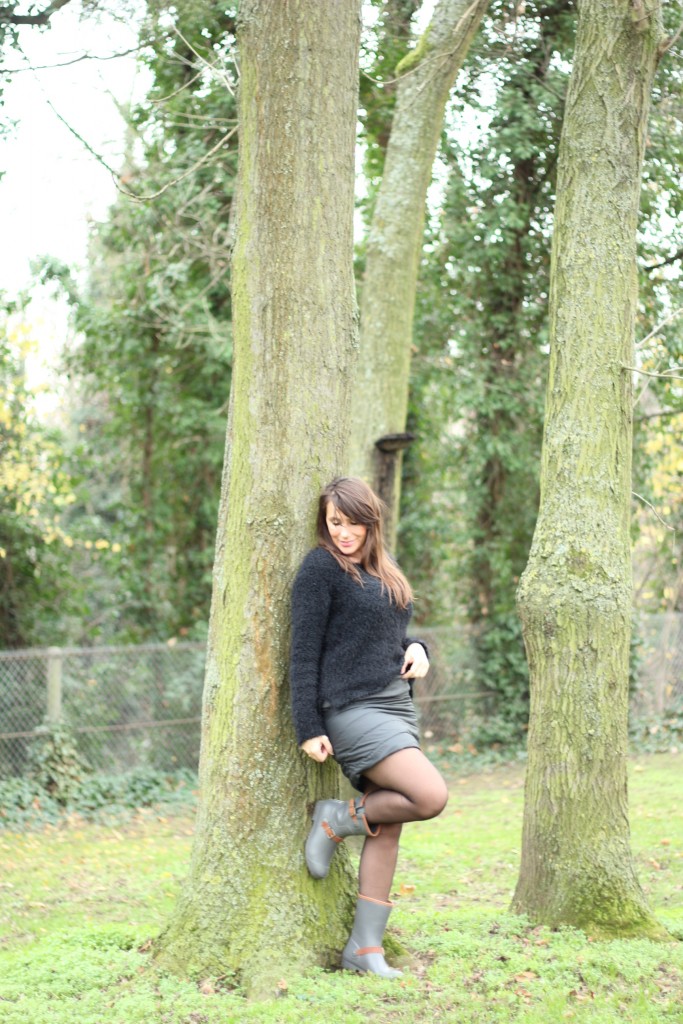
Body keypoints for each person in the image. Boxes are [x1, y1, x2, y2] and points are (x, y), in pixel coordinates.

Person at [290, 476, 448, 978]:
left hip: (397, 705)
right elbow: (302, 652)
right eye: (335, 522)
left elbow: (389, 634)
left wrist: (419, 647)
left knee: (390, 823)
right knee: (429, 796)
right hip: (352, 709)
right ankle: (336, 818)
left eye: (353, 522)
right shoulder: (321, 568)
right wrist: (308, 727)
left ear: (370, 522)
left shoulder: (383, 567)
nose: (344, 532)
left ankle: (364, 949)